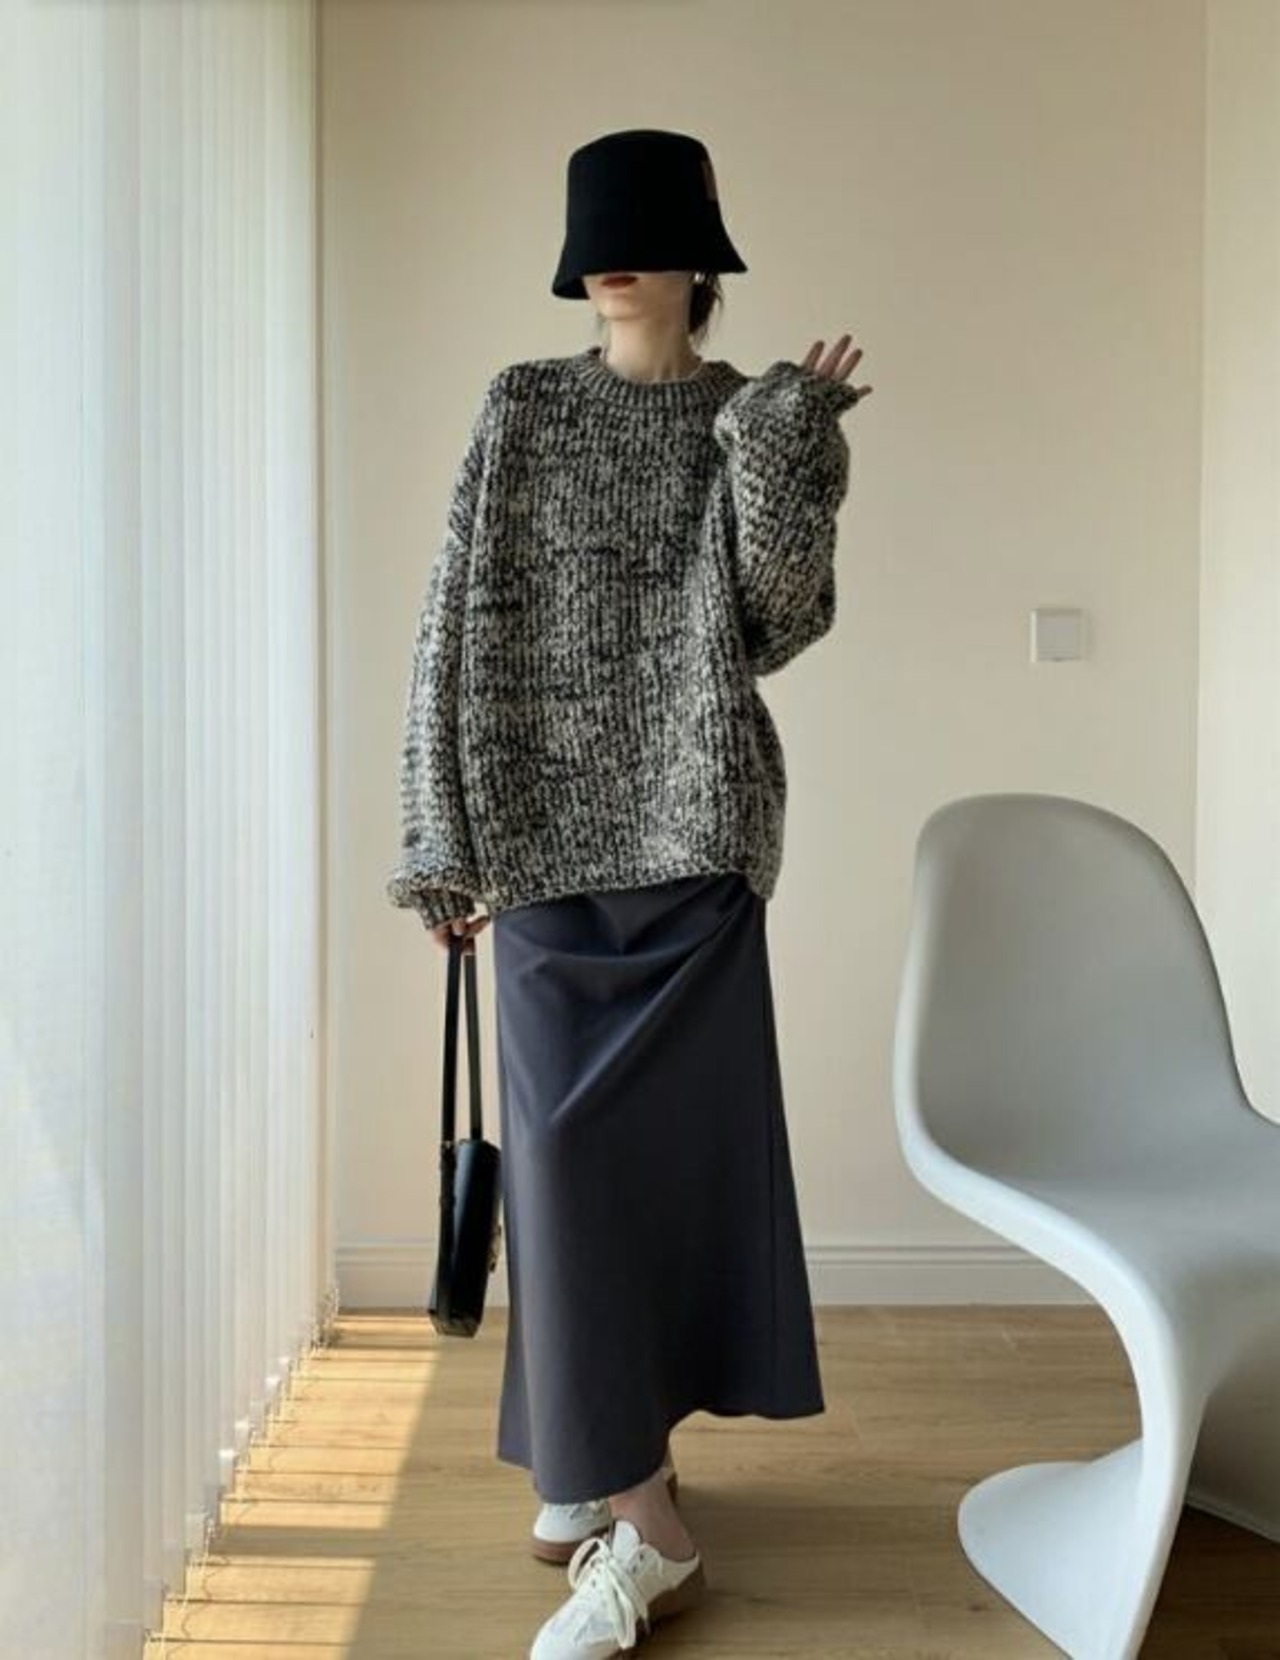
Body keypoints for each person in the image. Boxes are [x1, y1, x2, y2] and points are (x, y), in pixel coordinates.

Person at [386, 127, 872, 1660]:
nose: (614, 261)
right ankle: (619, 1484)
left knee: (653, 1184)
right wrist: (440, 837)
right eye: (597, 235)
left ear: (698, 259)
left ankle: (631, 1503)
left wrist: (785, 446)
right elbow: (449, 622)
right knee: (564, 1176)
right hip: (541, 845)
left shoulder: (744, 418)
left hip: (694, 841)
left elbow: (775, 623)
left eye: (645, 235)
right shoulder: (523, 407)